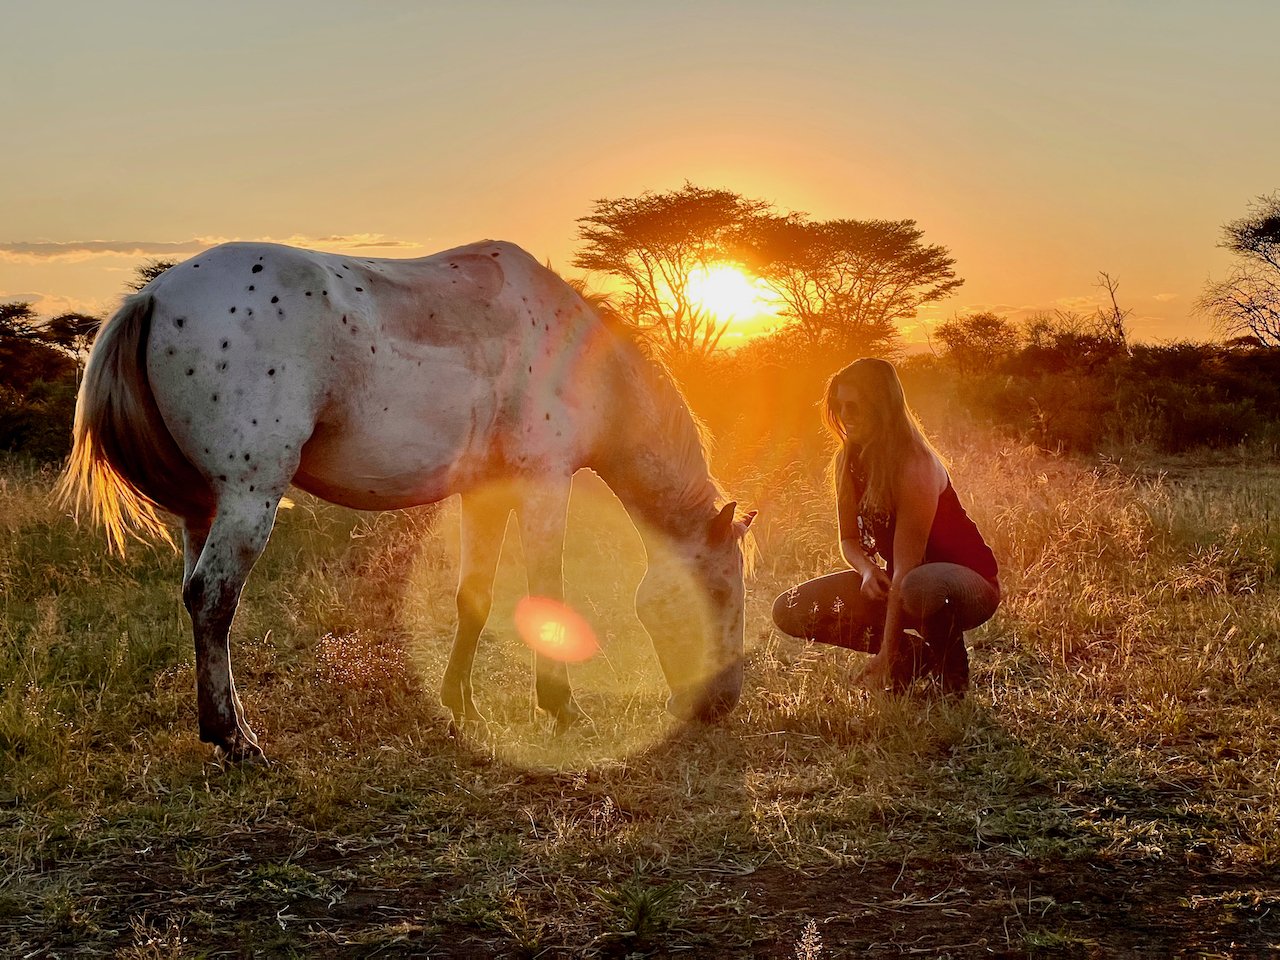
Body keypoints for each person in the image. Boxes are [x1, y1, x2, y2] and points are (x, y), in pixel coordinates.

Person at [771, 358, 1000, 695]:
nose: (845, 415)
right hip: (905, 585)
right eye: (839, 405)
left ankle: (953, 679)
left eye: (854, 406)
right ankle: (914, 656)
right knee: (788, 608)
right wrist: (866, 570)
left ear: (882, 407)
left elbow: (908, 568)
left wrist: (884, 651)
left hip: (968, 586)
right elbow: (849, 539)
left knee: (918, 585)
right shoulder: (847, 460)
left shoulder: (915, 465)